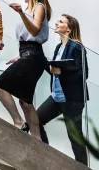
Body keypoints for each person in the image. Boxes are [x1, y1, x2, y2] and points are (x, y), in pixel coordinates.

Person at [0, 0, 51, 140]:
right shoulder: (28, 9)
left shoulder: (39, 7)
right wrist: (18, 56)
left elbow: (34, 31)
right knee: (25, 101)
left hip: (33, 56)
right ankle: (37, 140)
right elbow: (29, 41)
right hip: (28, 54)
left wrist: (20, 14)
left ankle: (19, 122)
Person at [37, 14, 89, 165]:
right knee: (35, 121)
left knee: (76, 140)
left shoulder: (77, 46)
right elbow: (55, 70)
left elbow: (83, 73)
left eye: (61, 21)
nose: (57, 23)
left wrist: (62, 72)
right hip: (56, 97)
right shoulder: (59, 47)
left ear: (69, 28)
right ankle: (45, 155)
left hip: (72, 100)